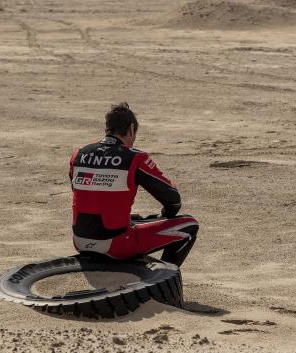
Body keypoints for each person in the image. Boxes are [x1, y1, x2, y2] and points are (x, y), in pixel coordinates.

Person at [69, 103, 199, 267]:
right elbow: (173, 200)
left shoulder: (78, 154)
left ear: (107, 129)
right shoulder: (135, 157)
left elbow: (88, 195)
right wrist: (166, 216)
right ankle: (164, 279)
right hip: (117, 245)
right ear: (131, 129)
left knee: (135, 220)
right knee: (190, 225)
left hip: (80, 241)